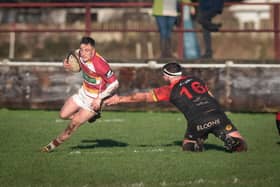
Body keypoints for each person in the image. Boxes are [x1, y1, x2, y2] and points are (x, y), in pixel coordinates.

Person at [105, 62, 247, 152]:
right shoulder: (195, 79)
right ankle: (225, 137)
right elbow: (209, 95)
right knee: (242, 145)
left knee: (187, 147)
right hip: (217, 114)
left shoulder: (169, 90)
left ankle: (195, 145)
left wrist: (119, 99)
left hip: (197, 121)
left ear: (167, 76)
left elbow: (142, 97)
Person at [41, 36, 119, 152]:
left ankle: (51, 146)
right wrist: (67, 64)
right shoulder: (80, 54)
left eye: (87, 50)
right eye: (82, 49)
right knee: (63, 115)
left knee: (73, 125)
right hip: (82, 93)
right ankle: (89, 116)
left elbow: (115, 83)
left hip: (92, 102)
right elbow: (73, 61)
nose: (83, 53)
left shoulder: (100, 64)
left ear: (93, 50)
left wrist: (99, 99)